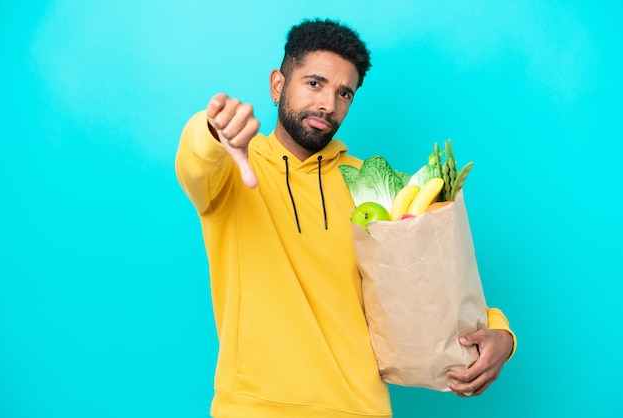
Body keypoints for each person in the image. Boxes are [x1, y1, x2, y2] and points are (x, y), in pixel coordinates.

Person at [175, 18, 516, 418]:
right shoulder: (232, 172)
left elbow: (439, 267)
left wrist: (503, 334)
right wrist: (213, 129)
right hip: (252, 408)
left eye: (344, 93)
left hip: (360, 408)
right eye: (314, 83)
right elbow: (195, 161)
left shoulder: (371, 183)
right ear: (277, 85)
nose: (328, 105)